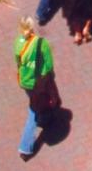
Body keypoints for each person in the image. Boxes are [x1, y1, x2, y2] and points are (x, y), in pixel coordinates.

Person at [15, 17, 59, 160]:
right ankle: (25, 147)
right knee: (33, 112)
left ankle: (45, 118)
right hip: (39, 83)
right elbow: (49, 65)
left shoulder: (18, 43)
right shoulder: (42, 43)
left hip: (25, 81)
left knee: (39, 103)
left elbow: (18, 61)